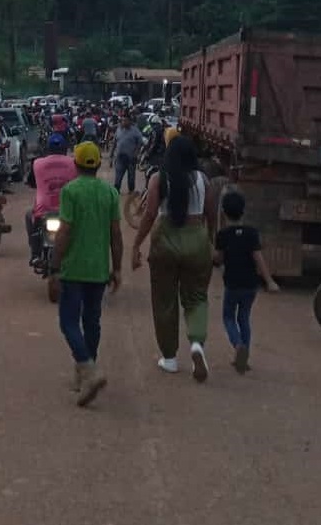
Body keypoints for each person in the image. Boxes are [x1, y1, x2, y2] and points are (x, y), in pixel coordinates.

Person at [131, 135, 214, 383]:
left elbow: (150, 214)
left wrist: (136, 245)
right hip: (197, 240)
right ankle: (196, 344)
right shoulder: (203, 180)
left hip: (165, 242)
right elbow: (211, 214)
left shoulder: (159, 178)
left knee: (164, 300)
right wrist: (210, 241)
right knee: (197, 297)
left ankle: (169, 358)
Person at [54, 142, 123, 407]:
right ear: (98, 164)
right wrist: (117, 268)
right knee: (92, 322)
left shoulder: (70, 191)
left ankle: (88, 369)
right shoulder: (110, 193)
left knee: (68, 322)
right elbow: (116, 235)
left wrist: (54, 265)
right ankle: (85, 372)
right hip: (98, 270)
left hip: (74, 268)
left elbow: (64, 231)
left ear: (76, 164)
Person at [215, 190, 279, 373]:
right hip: (251, 285)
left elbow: (218, 259)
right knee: (244, 317)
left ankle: (238, 346)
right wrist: (269, 281)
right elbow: (258, 258)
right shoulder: (252, 233)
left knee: (228, 317)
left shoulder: (223, 235)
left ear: (223, 212)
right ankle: (245, 356)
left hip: (232, 284)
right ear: (243, 211)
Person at [25, 132, 78, 264]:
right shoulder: (74, 163)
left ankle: (35, 254)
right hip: (68, 210)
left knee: (29, 216)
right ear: (65, 148)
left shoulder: (37, 163)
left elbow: (31, 181)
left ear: (47, 148)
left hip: (43, 209)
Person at [113, 113, 145, 193]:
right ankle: (116, 191)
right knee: (118, 177)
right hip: (120, 157)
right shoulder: (118, 129)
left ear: (130, 121)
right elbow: (115, 142)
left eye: (125, 120)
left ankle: (131, 192)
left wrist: (136, 153)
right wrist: (111, 155)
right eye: (122, 120)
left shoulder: (135, 131)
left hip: (131, 158)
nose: (124, 122)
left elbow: (140, 142)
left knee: (131, 177)